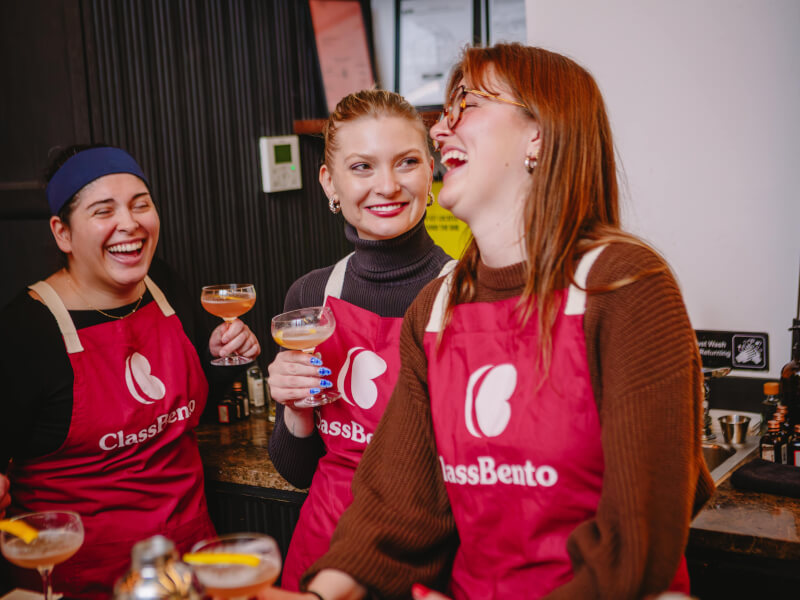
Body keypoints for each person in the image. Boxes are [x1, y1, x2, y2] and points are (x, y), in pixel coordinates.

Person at [264, 43, 715, 600]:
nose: (439, 132)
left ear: (539, 135)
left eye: (467, 105)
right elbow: (395, 508)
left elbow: (635, 546)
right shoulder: (435, 308)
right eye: (444, 113)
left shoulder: (624, 285)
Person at [0, 144, 260, 598]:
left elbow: (192, 404)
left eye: (141, 205)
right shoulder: (25, 330)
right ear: (63, 233)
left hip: (189, 559)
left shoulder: (163, 285)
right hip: (80, 577)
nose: (131, 223)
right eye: (105, 211)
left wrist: (220, 357)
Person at [266, 89, 453, 591]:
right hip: (326, 546)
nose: (387, 186)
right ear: (330, 182)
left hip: (431, 557)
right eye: (362, 167)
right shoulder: (310, 296)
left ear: (431, 169)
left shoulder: (469, 294)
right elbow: (298, 472)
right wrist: (295, 410)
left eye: (407, 162)